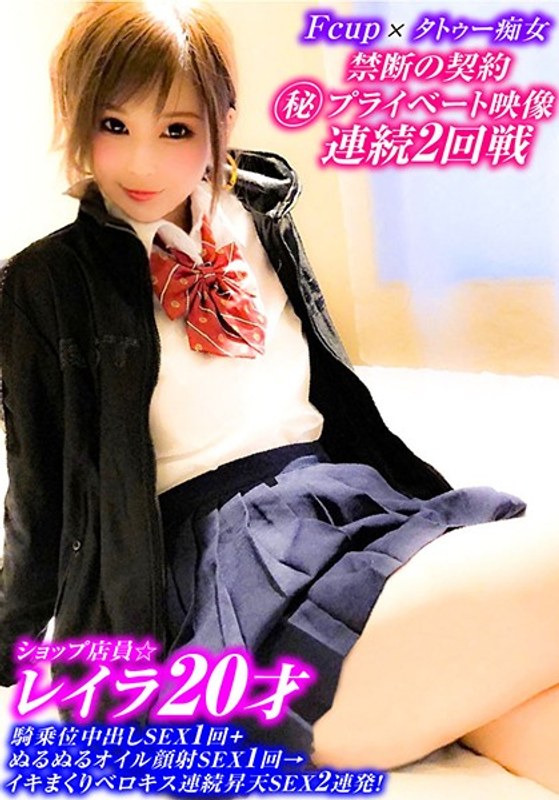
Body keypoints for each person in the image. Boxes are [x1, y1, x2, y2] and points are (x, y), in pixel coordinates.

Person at [0, 0, 558, 792]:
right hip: (227, 585)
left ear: (222, 122)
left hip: (346, 513)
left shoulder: (259, 221)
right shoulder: (45, 283)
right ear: (75, 114)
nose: (142, 161)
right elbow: (38, 494)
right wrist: (15, 645)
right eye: (113, 124)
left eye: (177, 129)